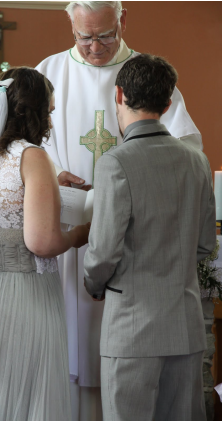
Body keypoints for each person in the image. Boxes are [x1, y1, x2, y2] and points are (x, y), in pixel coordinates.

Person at [34, 2, 203, 418]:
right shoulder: (48, 72)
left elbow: (187, 151)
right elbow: (25, 147)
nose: (94, 47)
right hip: (68, 230)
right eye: (84, 36)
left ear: (122, 21)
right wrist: (50, 176)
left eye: (105, 35)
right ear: (70, 26)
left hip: (135, 249)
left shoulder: (148, 76)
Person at [0, 68, 90, 421]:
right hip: (25, 294)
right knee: (27, 389)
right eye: (49, 112)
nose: (50, 121)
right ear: (34, 111)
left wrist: (51, 185)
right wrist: (79, 234)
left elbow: (0, 202)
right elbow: (41, 242)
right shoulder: (32, 156)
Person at [83, 54, 215, 421]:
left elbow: (103, 253)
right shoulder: (197, 161)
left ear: (119, 94)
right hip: (185, 327)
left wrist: (93, 284)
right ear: (168, 103)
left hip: (131, 328)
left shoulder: (116, 162)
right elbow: (205, 244)